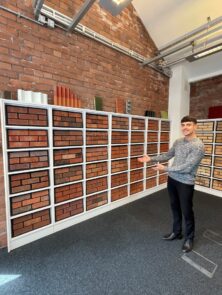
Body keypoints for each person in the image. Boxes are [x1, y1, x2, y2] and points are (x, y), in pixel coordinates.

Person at [138, 116, 205, 252]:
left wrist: (165, 169)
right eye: (183, 125)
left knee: (187, 211)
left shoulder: (198, 146)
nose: (185, 127)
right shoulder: (178, 141)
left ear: (195, 126)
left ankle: (189, 238)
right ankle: (177, 232)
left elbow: (187, 167)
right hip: (173, 180)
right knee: (175, 207)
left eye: (188, 124)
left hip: (185, 182)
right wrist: (151, 159)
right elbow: (168, 155)